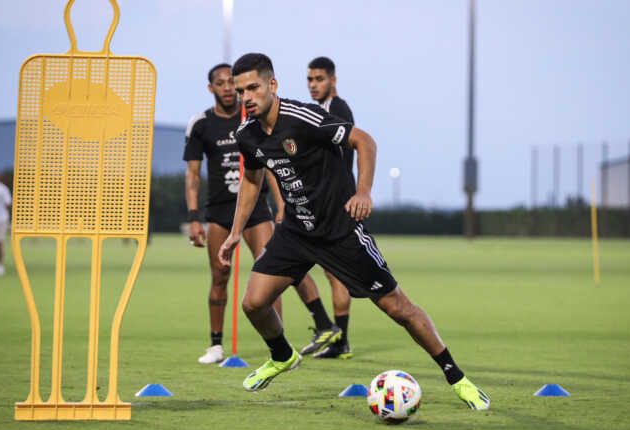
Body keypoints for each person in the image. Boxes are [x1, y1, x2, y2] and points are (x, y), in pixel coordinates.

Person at [218, 53, 490, 410]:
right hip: (296, 233)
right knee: (253, 303)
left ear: (273, 85)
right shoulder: (247, 134)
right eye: (241, 92)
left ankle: (457, 378)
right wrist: (236, 231)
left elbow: (365, 141)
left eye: (253, 87)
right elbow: (252, 182)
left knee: (399, 309)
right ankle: (282, 356)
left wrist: (363, 192)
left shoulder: (303, 117)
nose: (246, 97)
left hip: (341, 233)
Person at [184, 63, 337, 364]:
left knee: (274, 271)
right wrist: (192, 216)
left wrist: (282, 206)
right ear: (211, 88)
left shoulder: (253, 117)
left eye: (234, 83)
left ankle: (283, 346)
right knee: (219, 275)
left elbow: (269, 168)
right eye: (222, 83)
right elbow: (192, 175)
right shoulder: (201, 124)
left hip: (257, 211)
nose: (229, 89)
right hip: (218, 211)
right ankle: (215, 346)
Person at [298, 56, 357, 359]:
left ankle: (336, 336)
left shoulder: (337, 109)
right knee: (332, 274)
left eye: (319, 79)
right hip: (321, 202)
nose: (313, 85)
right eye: (309, 79)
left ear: (333, 80)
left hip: (334, 203)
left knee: (335, 274)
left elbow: (346, 149)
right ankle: (334, 335)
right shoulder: (320, 111)